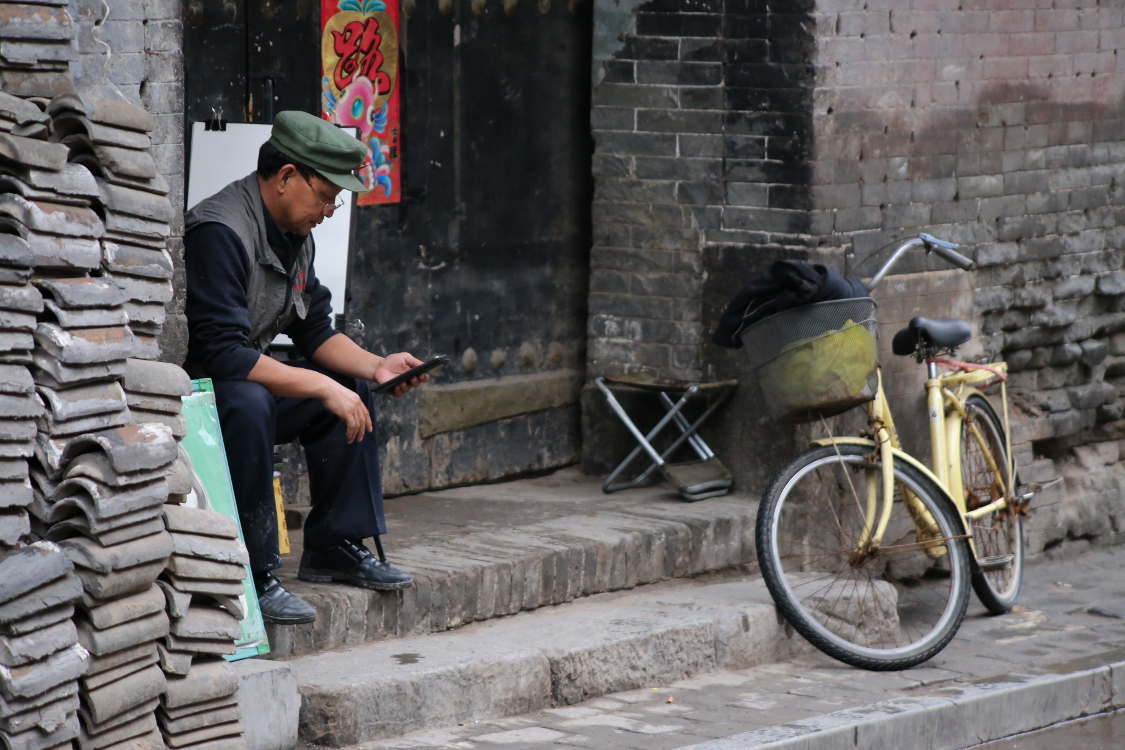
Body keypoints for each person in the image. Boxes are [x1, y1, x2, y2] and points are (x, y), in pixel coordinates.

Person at [182, 111, 426, 625]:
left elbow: (314, 330)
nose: (331, 210)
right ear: (287, 177)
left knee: (349, 385)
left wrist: (377, 367)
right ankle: (255, 572)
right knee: (252, 401)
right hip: (200, 394)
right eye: (326, 196)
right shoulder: (220, 230)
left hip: (245, 379)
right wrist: (318, 386)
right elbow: (223, 355)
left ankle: (334, 545)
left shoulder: (296, 232)